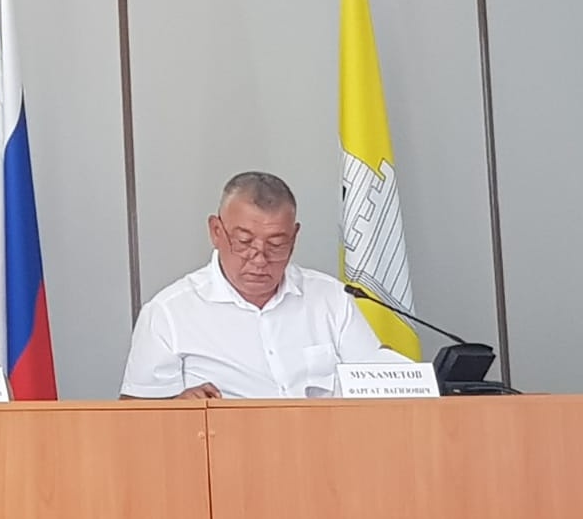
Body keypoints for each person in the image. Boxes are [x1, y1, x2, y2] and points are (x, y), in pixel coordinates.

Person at [119, 171, 407, 400]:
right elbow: (133, 419)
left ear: (294, 237)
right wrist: (177, 408)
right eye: (244, 242)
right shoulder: (169, 312)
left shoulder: (331, 298)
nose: (259, 258)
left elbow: (378, 388)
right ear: (216, 231)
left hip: (325, 449)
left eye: (276, 244)